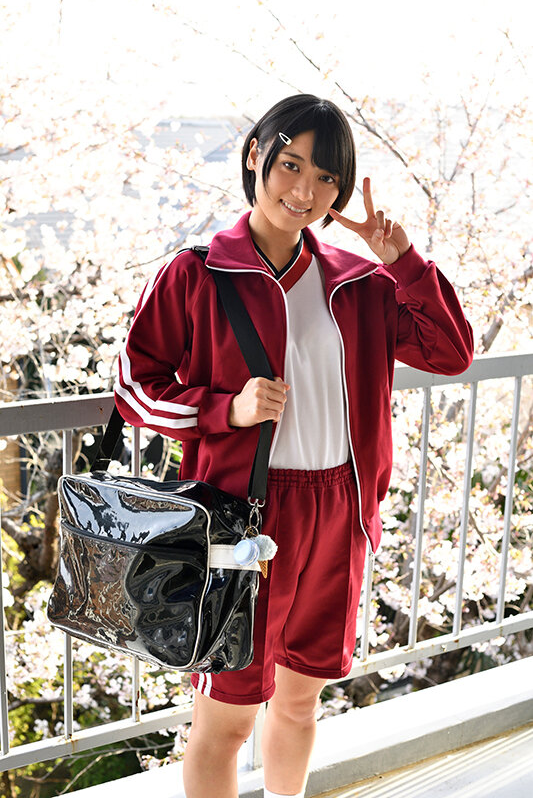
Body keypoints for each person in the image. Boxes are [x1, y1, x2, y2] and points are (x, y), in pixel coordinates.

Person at [114, 94, 474, 798]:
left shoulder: (358, 282)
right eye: (290, 165)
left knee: (300, 701)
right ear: (256, 156)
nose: (305, 191)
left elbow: (451, 352)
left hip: (339, 509)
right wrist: (225, 409)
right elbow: (134, 386)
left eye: (326, 177)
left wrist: (401, 260)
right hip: (241, 522)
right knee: (226, 720)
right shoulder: (196, 272)